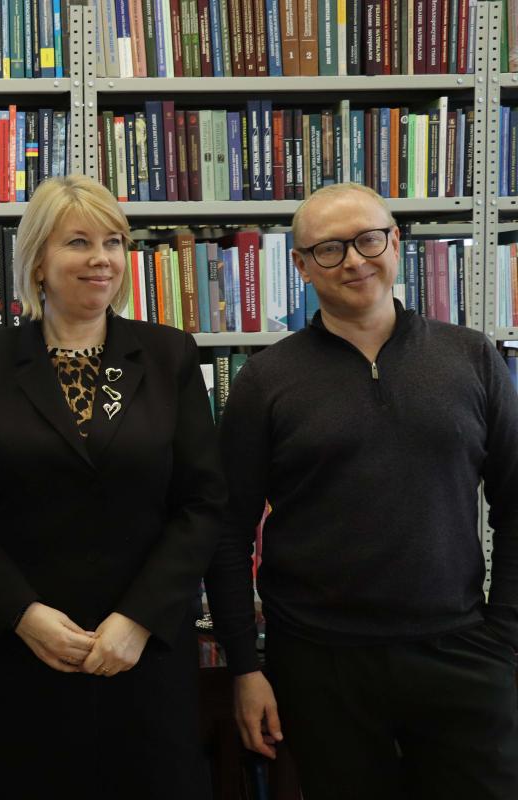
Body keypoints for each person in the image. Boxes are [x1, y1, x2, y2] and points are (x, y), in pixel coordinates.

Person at [205, 182, 518, 800]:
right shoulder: (265, 381)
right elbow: (226, 532)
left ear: (395, 242)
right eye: (329, 249)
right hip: (320, 664)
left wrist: (505, 633)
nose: (353, 260)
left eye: (369, 239)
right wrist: (245, 665)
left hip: (460, 650)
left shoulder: (472, 357)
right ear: (301, 266)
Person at [0, 174, 226, 798]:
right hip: (18, 659)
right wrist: (24, 615)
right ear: (38, 261)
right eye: (79, 242)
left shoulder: (169, 355)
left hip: (142, 658)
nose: (102, 259)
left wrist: (138, 619)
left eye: (113, 242)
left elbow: (202, 503)